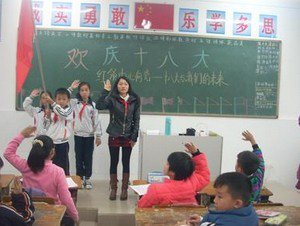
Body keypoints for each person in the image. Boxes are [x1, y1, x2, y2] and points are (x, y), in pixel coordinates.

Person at [3, 126, 79, 225]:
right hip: (52, 212)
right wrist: (76, 217)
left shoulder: (25, 166)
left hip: (28, 210)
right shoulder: (58, 172)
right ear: (52, 152)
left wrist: (21, 135)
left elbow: (8, 153)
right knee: (69, 220)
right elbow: (66, 199)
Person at [96, 76, 140, 201]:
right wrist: (105, 91)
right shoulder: (112, 99)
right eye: (120, 84)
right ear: (117, 86)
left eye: (125, 84)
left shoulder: (134, 100)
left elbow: (137, 119)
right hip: (114, 134)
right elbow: (99, 105)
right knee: (113, 162)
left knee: (126, 162)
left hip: (128, 136)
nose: (123, 86)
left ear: (129, 86)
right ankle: (114, 189)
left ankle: (124, 189)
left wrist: (134, 136)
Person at [138, 142, 210, 207]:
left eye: (167, 163)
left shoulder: (155, 189)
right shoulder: (192, 183)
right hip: (188, 220)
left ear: (172, 172)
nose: (164, 165)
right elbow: (203, 174)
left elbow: (142, 206)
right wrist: (196, 154)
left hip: (163, 221)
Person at [187, 172, 258, 226]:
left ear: (237, 203)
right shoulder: (249, 212)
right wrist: (203, 221)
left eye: (219, 197)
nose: (214, 200)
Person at [68, 80, 102, 189]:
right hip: (78, 135)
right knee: (78, 157)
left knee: (88, 158)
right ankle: (79, 179)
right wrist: (71, 88)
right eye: (82, 90)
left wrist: (98, 136)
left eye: (86, 90)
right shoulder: (74, 103)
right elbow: (65, 99)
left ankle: (87, 179)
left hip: (89, 136)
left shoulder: (93, 105)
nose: (84, 92)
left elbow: (96, 121)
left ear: (89, 91)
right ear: (79, 92)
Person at [45, 88, 73, 175]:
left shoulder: (68, 110)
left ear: (68, 100)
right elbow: (48, 126)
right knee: (51, 164)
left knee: (63, 166)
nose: (61, 101)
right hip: (52, 142)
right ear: (55, 99)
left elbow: (63, 114)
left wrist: (53, 103)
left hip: (62, 143)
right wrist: (48, 117)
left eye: (64, 99)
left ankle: (64, 184)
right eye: (59, 99)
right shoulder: (54, 110)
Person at [235, 130, 265, 202]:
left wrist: (252, 139)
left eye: (237, 162)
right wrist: (252, 140)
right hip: (254, 208)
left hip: (239, 211)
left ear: (239, 168)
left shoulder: (235, 184)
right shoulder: (258, 177)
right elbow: (259, 157)